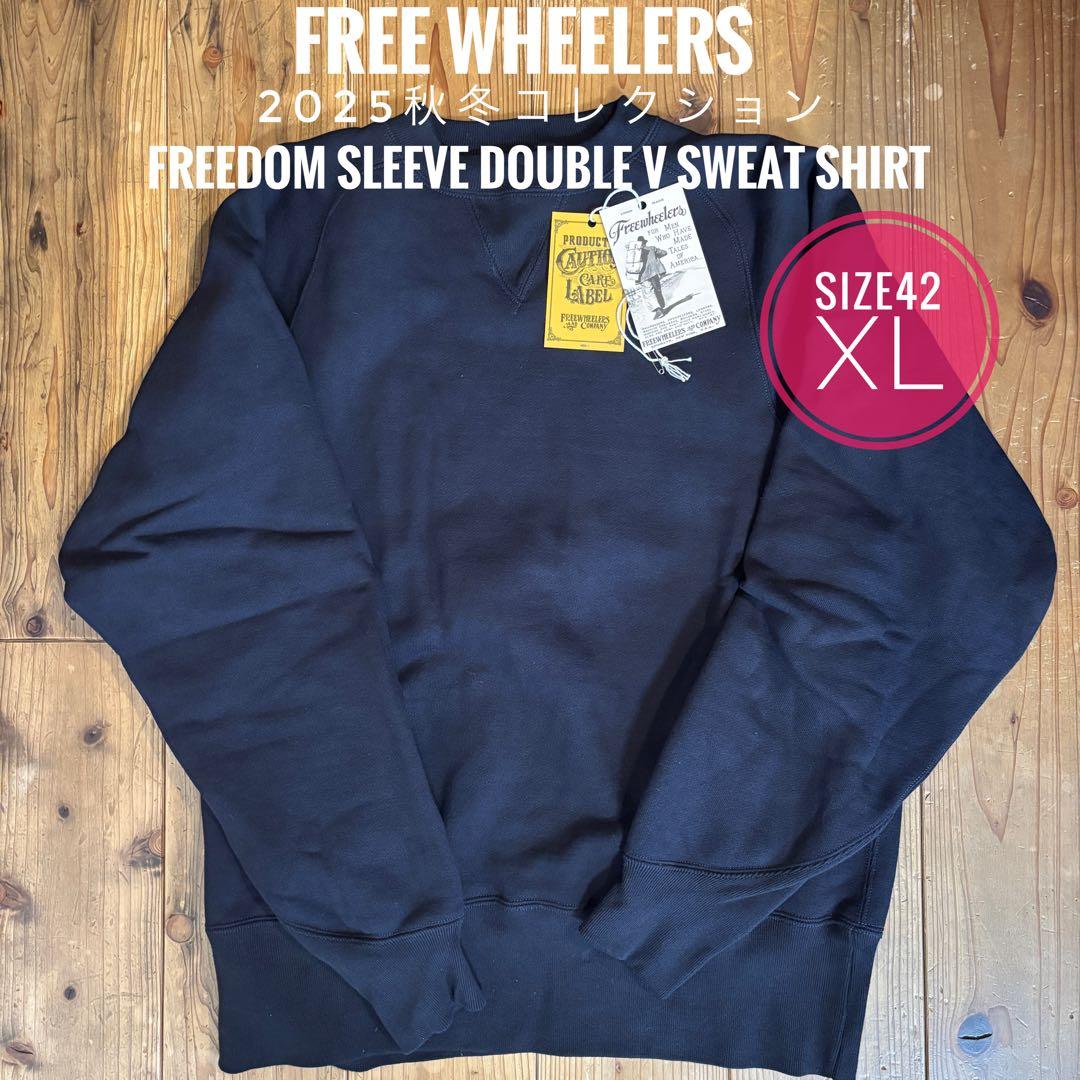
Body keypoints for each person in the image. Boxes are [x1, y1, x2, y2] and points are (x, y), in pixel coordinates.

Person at [634, 234, 668, 312]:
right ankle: (661, 305)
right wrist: (655, 256)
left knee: (649, 293)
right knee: (657, 289)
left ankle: (658, 309)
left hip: (643, 276)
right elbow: (664, 252)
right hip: (654, 273)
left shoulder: (636, 253)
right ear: (645, 243)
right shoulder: (652, 248)